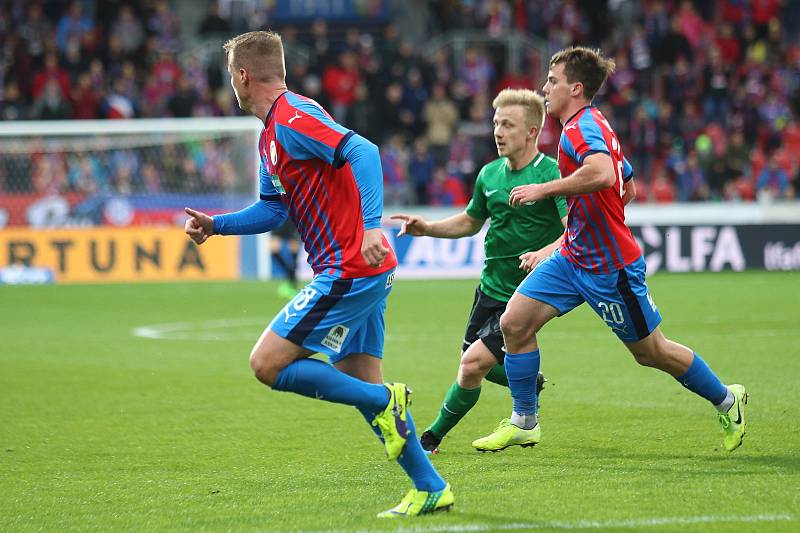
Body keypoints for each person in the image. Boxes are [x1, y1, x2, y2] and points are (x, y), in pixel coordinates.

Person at [183, 31, 453, 517]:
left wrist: (371, 225)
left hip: (349, 268)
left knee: (267, 364)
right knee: (357, 376)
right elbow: (272, 209)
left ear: (243, 76)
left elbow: (364, 152)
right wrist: (217, 225)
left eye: (231, 77)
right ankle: (429, 485)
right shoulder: (271, 134)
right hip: (364, 269)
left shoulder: (293, 116)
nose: (231, 86)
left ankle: (383, 400)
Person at [500, 46, 747, 453]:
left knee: (651, 352)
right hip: (573, 258)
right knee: (515, 324)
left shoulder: (581, 129)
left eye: (553, 81)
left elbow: (601, 173)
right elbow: (626, 184)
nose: (545, 88)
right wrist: (581, 229)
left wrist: (544, 189)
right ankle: (524, 420)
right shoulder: (591, 123)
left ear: (575, 89)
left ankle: (727, 399)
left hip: (610, 268)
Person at [392, 89, 567, 453]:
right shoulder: (489, 174)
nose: (498, 132)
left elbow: (573, 232)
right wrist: (427, 228)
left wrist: (543, 253)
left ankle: (430, 439)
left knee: (472, 365)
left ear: (532, 132)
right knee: (476, 366)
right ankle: (528, 382)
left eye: (508, 124)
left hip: (526, 295)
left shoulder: (553, 175)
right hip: (489, 289)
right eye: (495, 124)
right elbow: (471, 221)